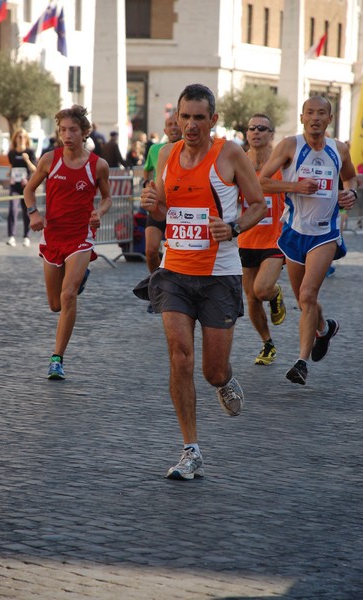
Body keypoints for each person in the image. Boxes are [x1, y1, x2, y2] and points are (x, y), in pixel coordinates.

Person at [139, 84, 267, 480]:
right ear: (176, 118)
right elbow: (167, 208)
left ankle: (224, 380)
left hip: (218, 275)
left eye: (199, 117)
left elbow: (259, 204)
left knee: (211, 369)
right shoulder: (165, 155)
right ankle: (190, 450)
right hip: (175, 271)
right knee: (180, 355)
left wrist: (232, 227)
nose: (191, 125)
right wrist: (152, 205)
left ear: (212, 120)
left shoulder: (228, 153)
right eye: (185, 117)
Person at [259, 95, 357, 385]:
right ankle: (324, 328)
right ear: (302, 117)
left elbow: (351, 178)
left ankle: (301, 362)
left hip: (325, 234)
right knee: (305, 300)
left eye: (321, 113)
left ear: (329, 119)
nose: (315, 118)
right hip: (293, 232)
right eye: (310, 113)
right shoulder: (290, 146)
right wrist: (294, 186)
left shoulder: (339, 149)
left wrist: (350, 193)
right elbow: (261, 181)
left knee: (307, 295)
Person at [24, 105, 112, 380]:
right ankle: (75, 281)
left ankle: (56, 359)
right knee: (55, 304)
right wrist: (34, 213)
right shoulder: (50, 160)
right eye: (62, 130)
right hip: (53, 236)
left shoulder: (98, 165)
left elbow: (107, 197)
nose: (67, 135)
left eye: (73, 129)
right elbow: (29, 190)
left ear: (85, 132)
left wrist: (100, 212)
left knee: (68, 295)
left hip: (81, 238)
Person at [238, 114, 286, 365]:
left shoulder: (281, 165)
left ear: (271, 135)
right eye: (252, 128)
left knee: (262, 289)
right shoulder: (239, 163)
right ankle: (267, 344)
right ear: (247, 134)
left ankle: (275, 293)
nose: (256, 132)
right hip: (246, 240)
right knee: (252, 299)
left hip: (274, 240)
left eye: (262, 129)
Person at [143, 114, 182, 312]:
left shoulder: (189, 149)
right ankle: (156, 287)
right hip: (159, 203)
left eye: (176, 123)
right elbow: (147, 170)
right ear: (165, 130)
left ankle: (173, 293)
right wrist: (146, 186)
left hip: (180, 207)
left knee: (174, 251)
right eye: (169, 125)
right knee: (150, 250)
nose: (173, 127)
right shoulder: (155, 149)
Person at [6, 128, 37, 247]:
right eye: (19, 137)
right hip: (15, 185)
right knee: (12, 210)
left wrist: (27, 160)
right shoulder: (12, 153)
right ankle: (11, 236)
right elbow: (12, 166)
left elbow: (34, 169)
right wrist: (10, 175)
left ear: (26, 139)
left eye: (23, 136)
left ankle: (26, 237)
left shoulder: (29, 151)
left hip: (26, 187)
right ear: (15, 139)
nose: (21, 139)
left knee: (26, 212)